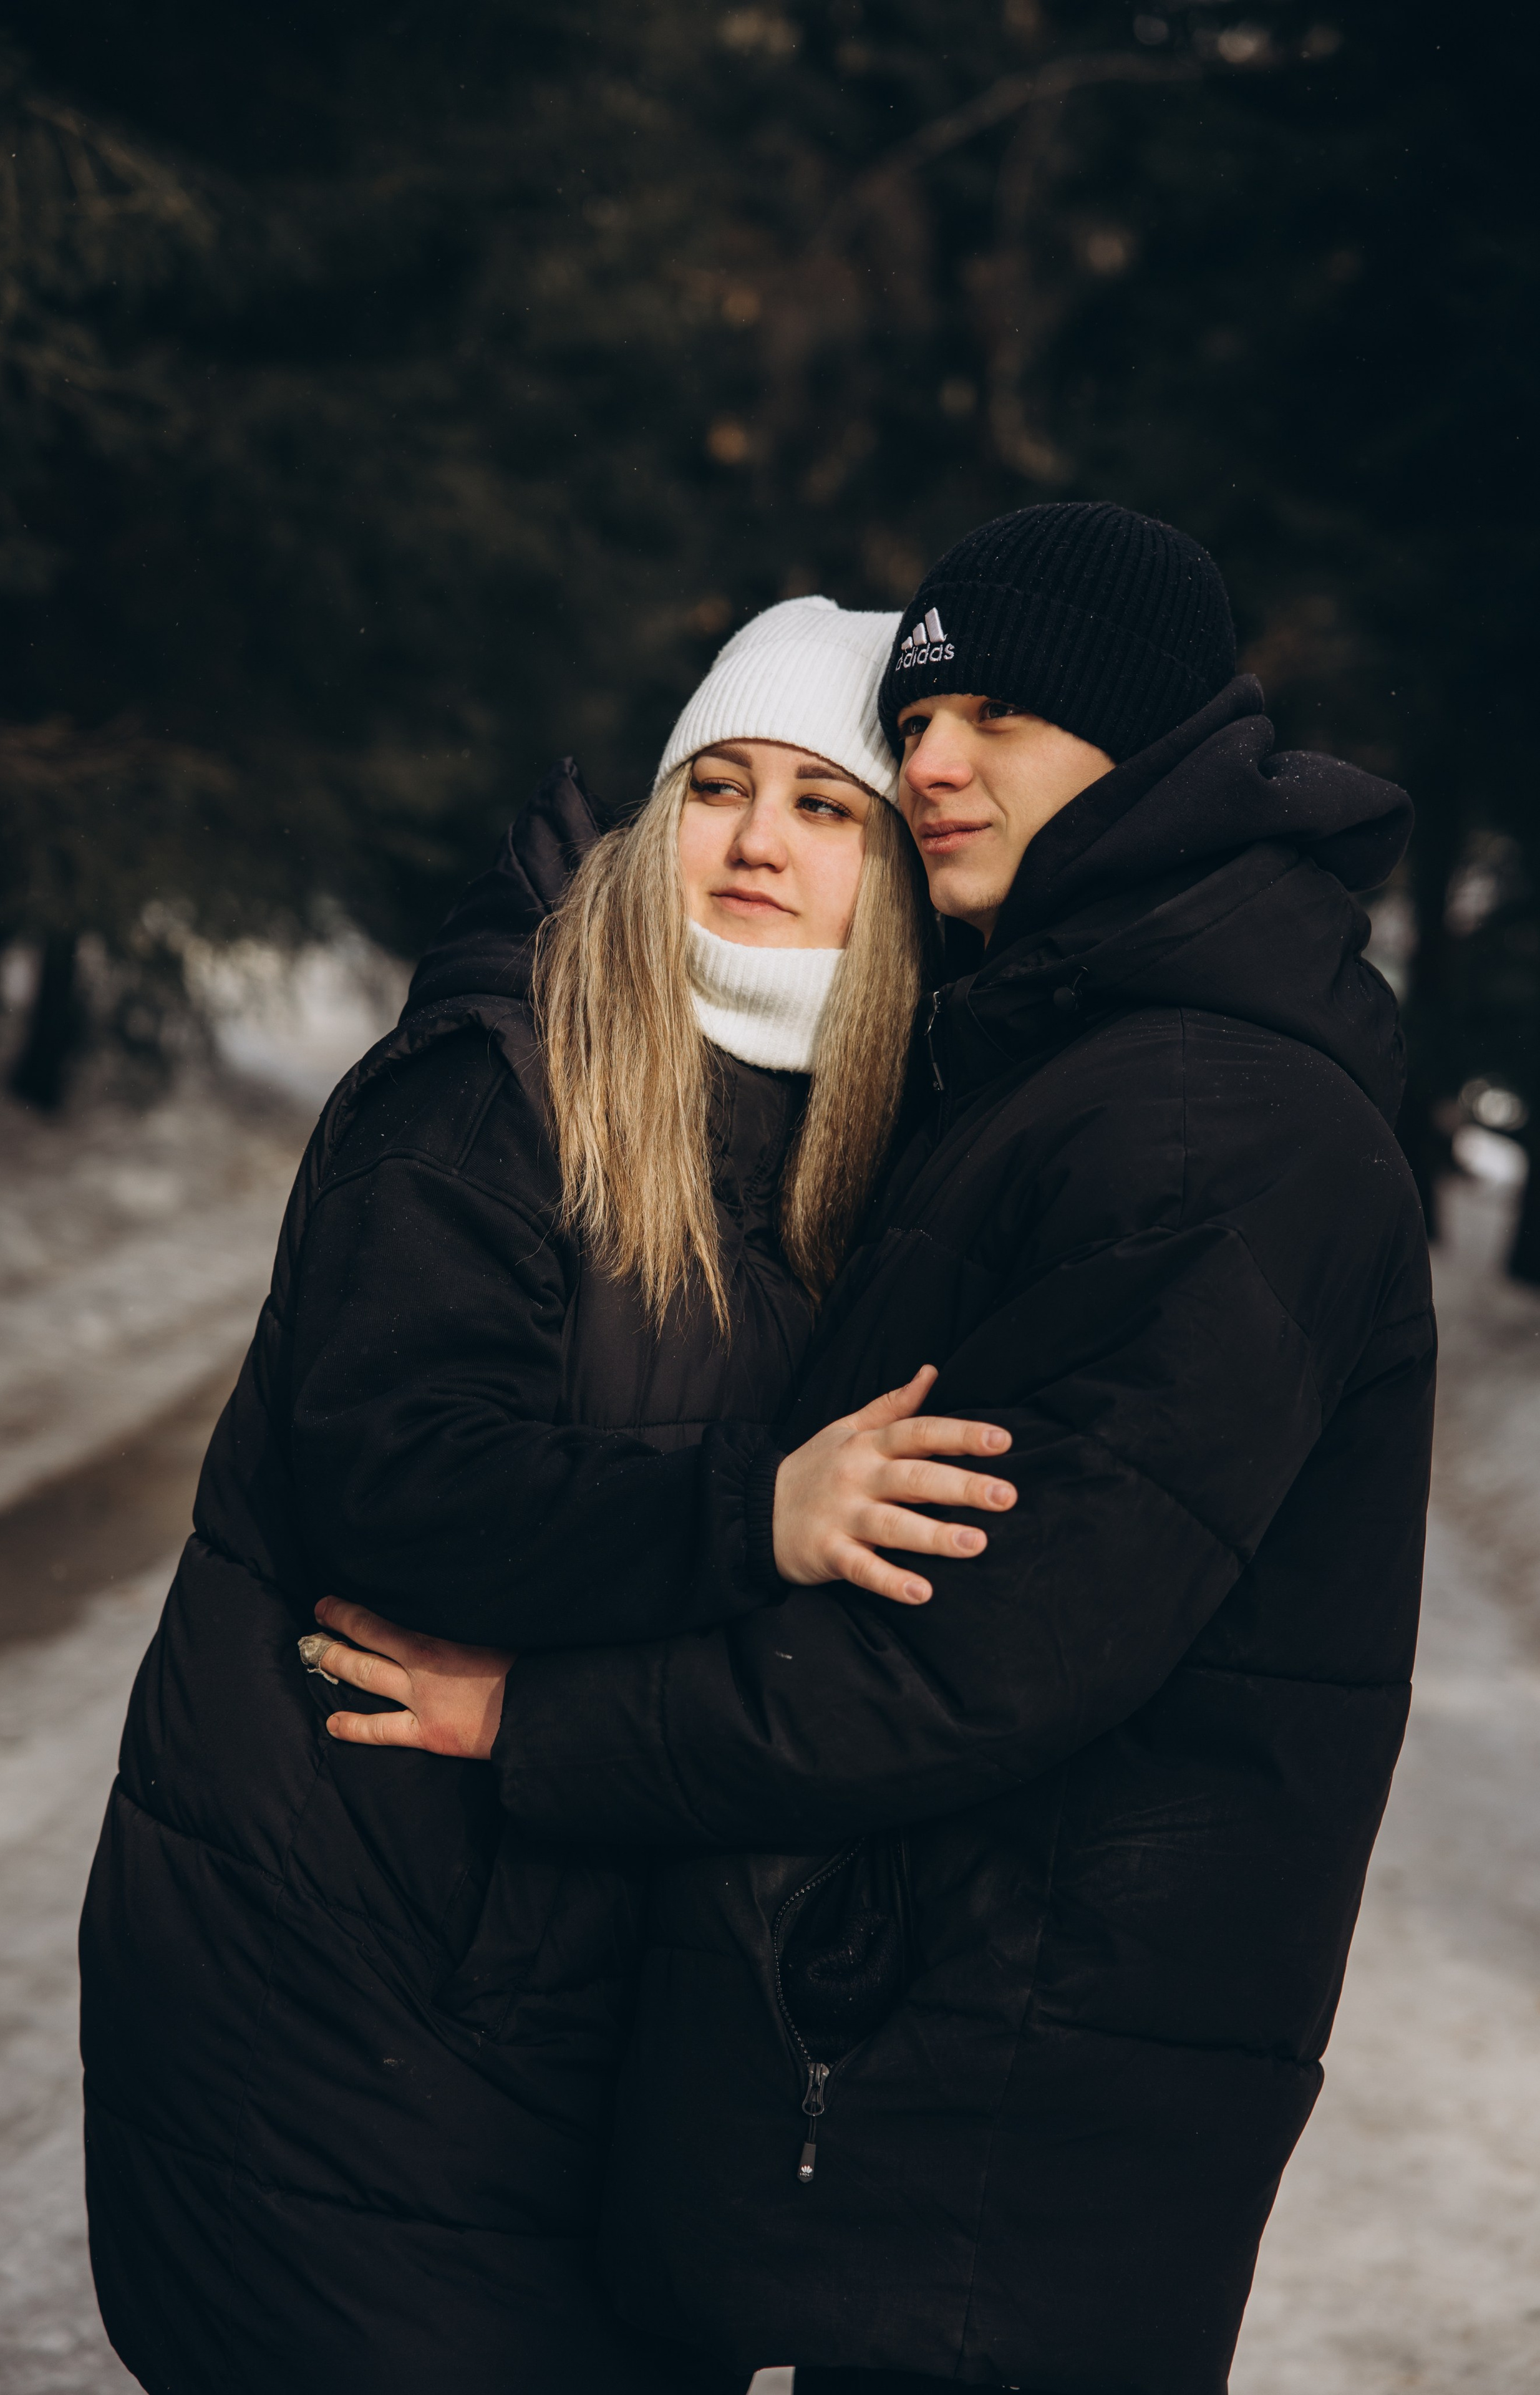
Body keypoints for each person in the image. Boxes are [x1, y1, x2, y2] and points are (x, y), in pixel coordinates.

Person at [317, 504, 1434, 2395]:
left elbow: (972, 1649)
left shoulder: (1204, 1117)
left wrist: (544, 1725)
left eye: (991, 715)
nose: (927, 764)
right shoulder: (1080, 1046)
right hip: (946, 2071)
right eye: (910, 723)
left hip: (1013, 2106)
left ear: (1149, 733)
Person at [77, 593, 1016, 2395]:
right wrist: (754, 1514)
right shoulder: (503, 1076)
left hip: (574, 1989)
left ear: (896, 871)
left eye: (827, 808)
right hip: (339, 1964)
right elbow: (398, 1480)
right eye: (719, 786)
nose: (758, 843)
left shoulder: (872, 1140)